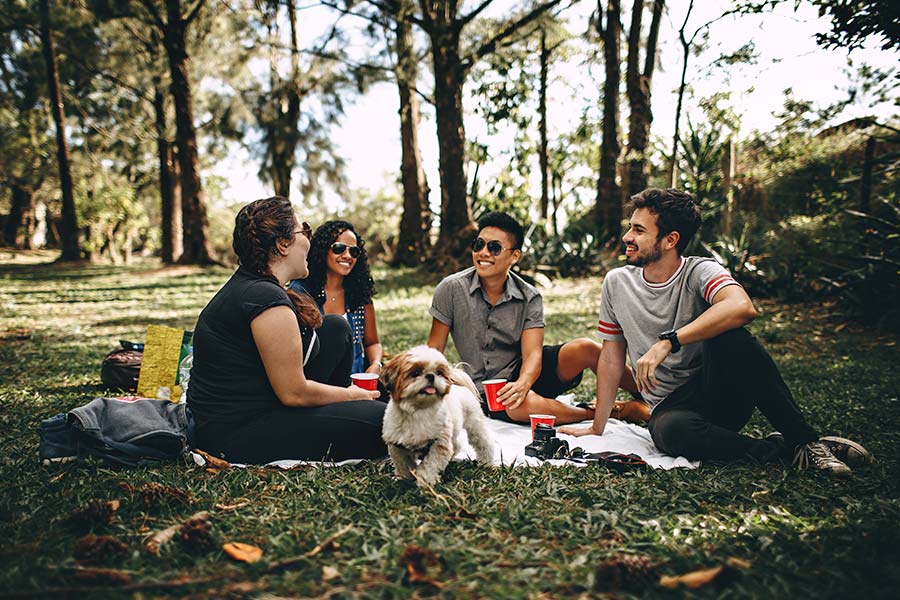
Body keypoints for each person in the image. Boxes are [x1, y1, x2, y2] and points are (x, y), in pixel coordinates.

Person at [560, 188, 870, 476]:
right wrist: (597, 427)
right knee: (669, 433)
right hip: (672, 409)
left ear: (670, 240)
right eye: (631, 227)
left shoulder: (699, 270)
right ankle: (787, 450)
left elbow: (741, 307)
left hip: (720, 392)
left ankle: (806, 440)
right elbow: (612, 358)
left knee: (732, 336)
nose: (627, 236)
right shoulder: (617, 283)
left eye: (639, 230)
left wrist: (669, 341)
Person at [187, 196, 386, 464]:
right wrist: (353, 395)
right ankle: (352, 409)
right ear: (282, 244)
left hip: (266, 402)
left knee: (336, 328)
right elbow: (294, 393)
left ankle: (347, 409)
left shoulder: (259, 286)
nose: (309, 239)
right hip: (236, 431)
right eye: (303, 229)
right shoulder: (264, 299)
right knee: (385, 422)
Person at [427, 211, 645, 426]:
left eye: (494, 248)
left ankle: (649, 394)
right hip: (485, 389)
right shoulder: (451, 289)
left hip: (526, 372)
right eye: (479, 245)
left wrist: (523, 383)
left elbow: (532, 354)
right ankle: (610, 413)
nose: (483, 253)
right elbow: (434, 349)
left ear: (514, 256)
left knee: (585, 348)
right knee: (518, 405)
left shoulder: (529, 296)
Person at [289, 220, 383, 375]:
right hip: (317, 386)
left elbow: (372, 343)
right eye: (339, 248)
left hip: (357, 385)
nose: (347, 256)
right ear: (322, 250)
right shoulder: (300, 293)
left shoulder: (359, 294)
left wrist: (376, 365)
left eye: (354, 251)